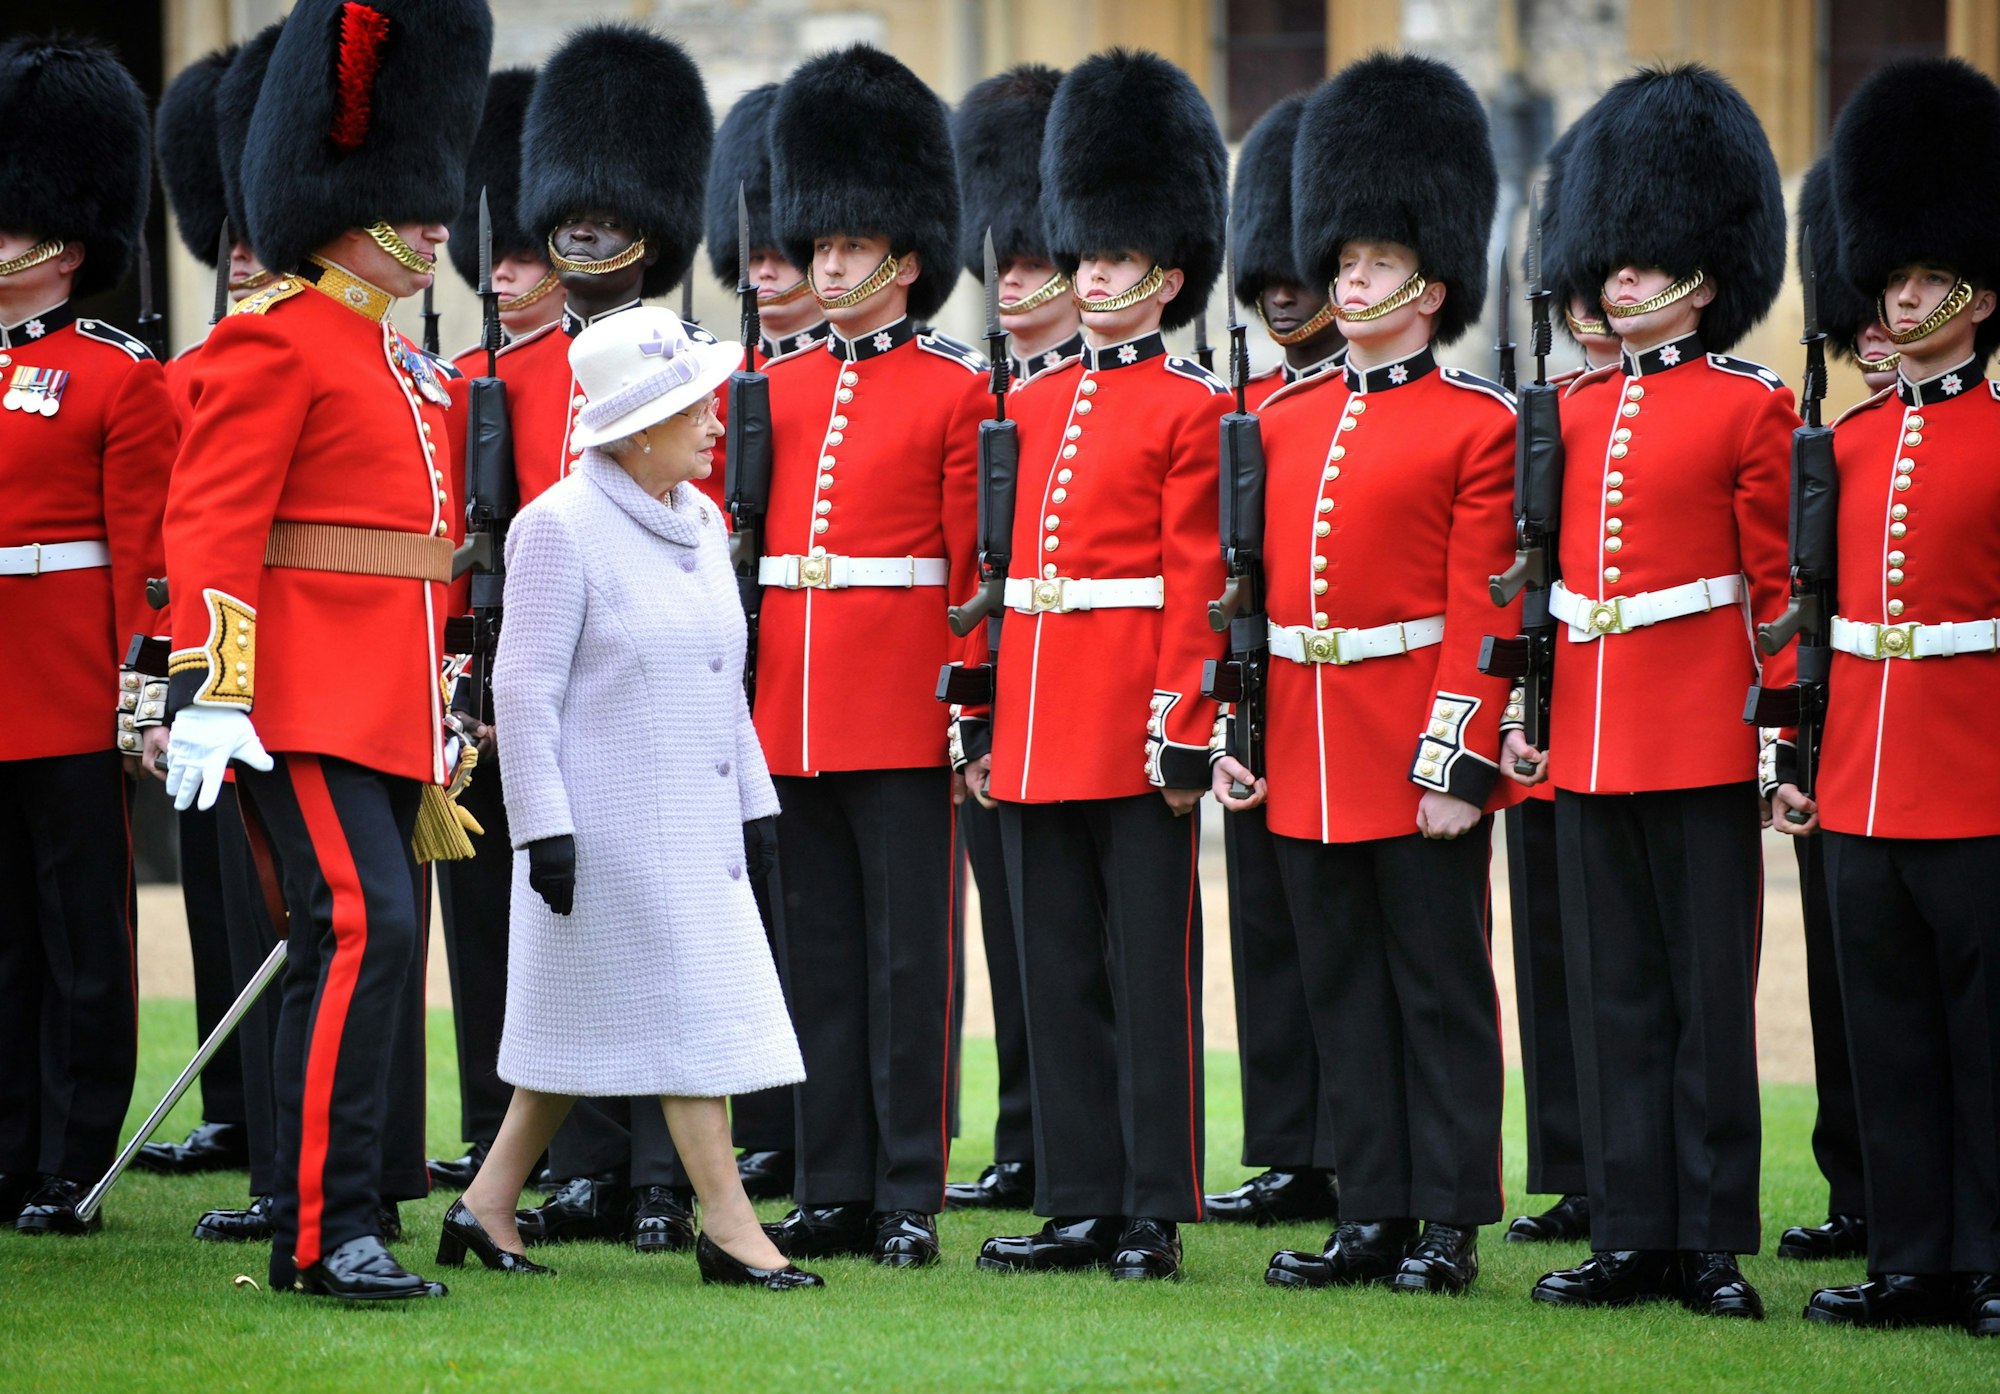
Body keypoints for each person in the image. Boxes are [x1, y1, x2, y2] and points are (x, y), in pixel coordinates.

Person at [162, 0, 491, 1301]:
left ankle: (332, 1218)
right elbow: (214, 521)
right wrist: (211, 686)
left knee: (363, 938)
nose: (435, 224)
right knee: (361, 923)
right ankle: (321, 1229)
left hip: (386, 707)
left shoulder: (406, 367)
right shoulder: (272, 337)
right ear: (344, 200)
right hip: (294, 702)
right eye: (410, 202)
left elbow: (419, 560)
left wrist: (443, 695)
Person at [439, 306, 818, 1292]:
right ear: (638, 428)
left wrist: (757, 809)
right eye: (695, 407)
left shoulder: (703, 520)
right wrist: (544, 832)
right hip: (605, 835)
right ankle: (730, 1228)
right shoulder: (557, 526)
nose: (716, 422)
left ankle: (485, 1204)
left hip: (698, 830)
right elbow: (524, 690)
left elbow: (720, 681)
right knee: (688, 1023)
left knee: (576, 1036)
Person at [1218, 55, 1517, 1297]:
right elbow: (1247, 600)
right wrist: (1239, 733)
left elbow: (1477, 613)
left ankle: (1445, 1218)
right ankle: (1370, 1210)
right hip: (1304, 741)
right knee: (1336, 988)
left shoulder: (1478, 422)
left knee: (1436, 989)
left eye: (1375, 262)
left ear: (1427, 287)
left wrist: (1454, 758)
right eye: (1342, 259)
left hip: (1408, 743)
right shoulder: (1279, 420)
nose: (1346, 279)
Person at [1516, 63, 1794, 1319]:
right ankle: (1629, 1232)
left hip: (1696, 732)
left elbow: (1773, 593)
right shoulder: (1566, 413)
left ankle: (1710, 1238)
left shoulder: (1748, 408)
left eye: (1642, 261)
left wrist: (1778, 737)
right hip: (1587, 732)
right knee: (1612, 997)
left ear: (1700, 268)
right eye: (1608, 261)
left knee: (1702, 999)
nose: (1616, 280)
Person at [965, 49, 1227, 1283]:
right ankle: (1077, 1201)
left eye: (1118, 260)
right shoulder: (1026, 401)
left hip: (1130, 723)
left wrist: (1178, 726)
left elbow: (1192, 584)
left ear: (1165, 276)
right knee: (1055, 970)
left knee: (1146, 975)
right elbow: (1001, 577)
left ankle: (1151, 1208)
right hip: (1035, 723)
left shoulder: (1190, 404)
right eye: (1088, 257)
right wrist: (981, 717)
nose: (1094, 277)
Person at [1774, 57, 2000, 1337]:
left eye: (1923, 278)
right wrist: (1800, 757)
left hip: (1974, 776)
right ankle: (1910, 1259)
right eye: (1890, 277)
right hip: (1863, 775)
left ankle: (1989, 1255)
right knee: (1889, 1038)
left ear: (1978, 292)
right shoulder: (1848, 445)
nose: (1899, 297)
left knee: (1983, 1036)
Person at [753, 43, 985, 1270]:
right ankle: (831, 1180)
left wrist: (964, 705)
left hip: (899, 707)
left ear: (903, 256)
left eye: (850, 247)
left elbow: (966, 573)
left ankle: (906, 1186)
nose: (828, 265)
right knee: (818, 960)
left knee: (908, 963)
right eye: (821, 245)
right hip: (790, 709)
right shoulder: (774, 387)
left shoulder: (956, 389)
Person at [489, 24, 717, 1253]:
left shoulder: (669, 359)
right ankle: (579, 1169)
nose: (579, 240)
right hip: (552, 669)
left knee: (661, 925)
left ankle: (659, 1179)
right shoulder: (506, 371)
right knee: (567, 935)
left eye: (602, 220)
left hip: (643, 671)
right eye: (566, 221)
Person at [0, 34, 174, 1236]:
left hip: (67, 694)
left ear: (60, 245)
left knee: (78, 940)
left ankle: (71, 1160)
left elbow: (147, 560)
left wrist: (138, 697)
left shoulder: (117, 375)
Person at [1201, 87, 1340, 1230]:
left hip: (1343, 691)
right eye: (1269, 271)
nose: (1283, 290)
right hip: (1259, 695)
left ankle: (1358, 1153)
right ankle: (1292, 1149)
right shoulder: (1239, 404)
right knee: (1268, 927)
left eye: (1302, 268)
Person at [429, 63, 567, 1197]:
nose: (505, 269)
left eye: (525, 250)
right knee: (474, 910)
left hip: (555, 667)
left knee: (559, 910)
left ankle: (583, 1147)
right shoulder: (452, 375)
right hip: (467, 669)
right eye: (499, 251)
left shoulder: (590, 367)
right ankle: (490, 1124)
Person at [937, 61, 1071, 1214]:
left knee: (1085, 949)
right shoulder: (993, 396)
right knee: (1015, 935)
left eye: (1034, 258)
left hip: (1084, 699)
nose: (1012, 277)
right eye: (1006, 258)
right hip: (1004, 704)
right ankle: (1026, 1138)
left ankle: (1088, 1153)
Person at [1766, 152, 1895, 1268]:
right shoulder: (1838, 448)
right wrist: (1792, 748)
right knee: (1847, 983)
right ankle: (1862, 1195)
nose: (1880, 328)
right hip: (1843, 745)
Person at [130, 40, 253, 1184]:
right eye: (233, 242)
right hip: (199, 654)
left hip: (273, 659)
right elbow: (163, 542)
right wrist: (159, 677)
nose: (242, 259)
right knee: (213, 890)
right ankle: (233, 1105)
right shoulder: (182, 374)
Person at [699, 79, 815, 1203]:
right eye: (759, 253)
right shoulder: (724, 381)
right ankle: (767, 1125)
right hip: (740, 679)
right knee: (751, 912)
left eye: (790, 250)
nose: (770, 269)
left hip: (808, 676)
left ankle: (810, 1134)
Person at [1500, 121, 1613, 1249]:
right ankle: (1575, 1170)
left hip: (1628, 720)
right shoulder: (1546, 414)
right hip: (1545, 721)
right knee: (1552, 959)